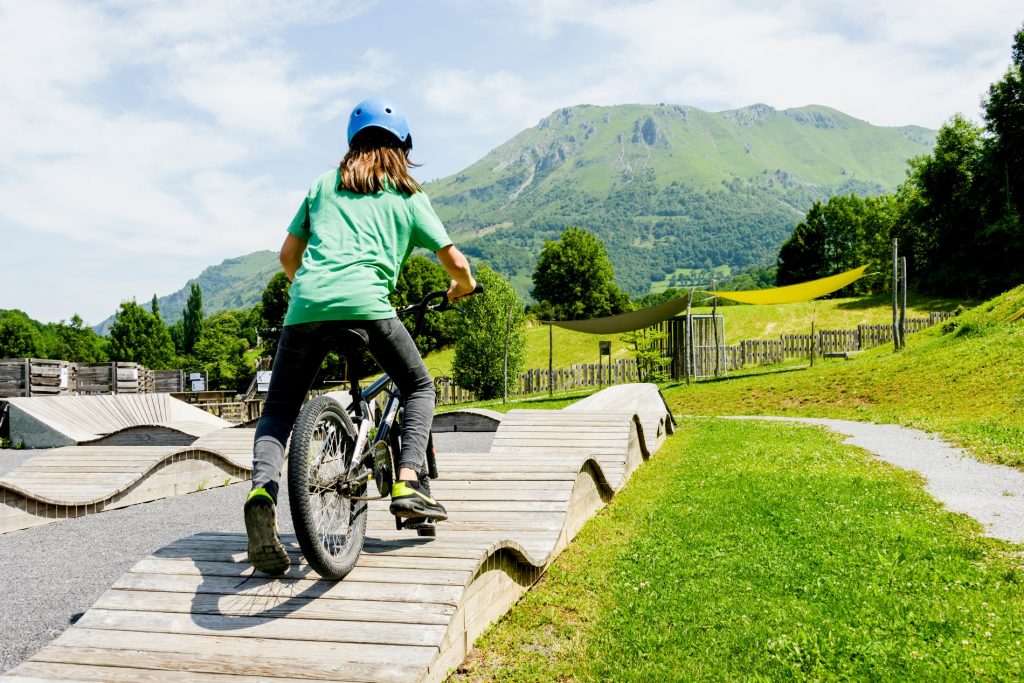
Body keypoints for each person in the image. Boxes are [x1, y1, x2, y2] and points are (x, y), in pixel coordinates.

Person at [244, 98, 477, 575]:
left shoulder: (323, 186)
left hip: (307, 304)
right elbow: (457, 264)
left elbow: (289, 256)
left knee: (279, 412)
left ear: (353, 145)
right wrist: (462, 289)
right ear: (403, 149)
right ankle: (409, 480)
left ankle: (262, 490)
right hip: (369, 308)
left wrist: (313, 293)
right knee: (419, 386)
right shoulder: (409, 197)